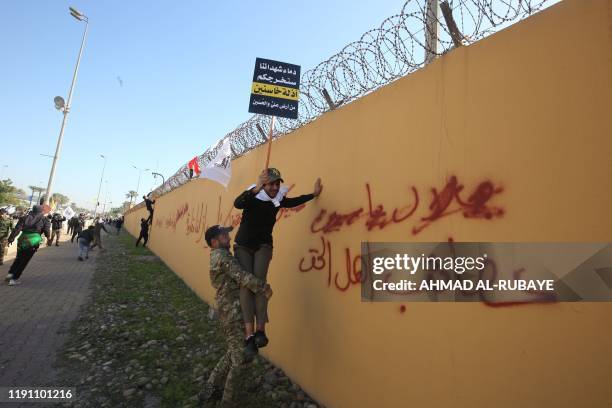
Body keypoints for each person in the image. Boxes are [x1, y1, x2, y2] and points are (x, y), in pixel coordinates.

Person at [233, 168, 323, 349]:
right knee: (246, 286)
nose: (275, 187)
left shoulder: (277, 200)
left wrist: (313, 194)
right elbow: (238, 203)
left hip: (264, 245)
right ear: (264, 184)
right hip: (243, 246)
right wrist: (256, 189)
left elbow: (292, 202)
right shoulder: (253, 197)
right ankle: (249, 334)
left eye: (277, 184)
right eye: (271, 184)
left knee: (260, 284)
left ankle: (260, 331)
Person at [200, 225, 272, 406]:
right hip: (232, 312)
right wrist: (262, 287)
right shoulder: (221, 256)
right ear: (214, 242)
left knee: (233, 352)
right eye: (223, 235)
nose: (228, 237)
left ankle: (210, 388)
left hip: (232, 309)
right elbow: (240, 276)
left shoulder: (220, 255)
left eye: (227, 233)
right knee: (241, 360)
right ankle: (228, 402)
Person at [5, 205, 51, 286]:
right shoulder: (44, 219)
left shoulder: (24, 218)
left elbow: (17, 229)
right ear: (41, 211)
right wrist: (48, 239)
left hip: (22, 240)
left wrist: (10, 239)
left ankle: (10, 274)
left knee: (18, 258)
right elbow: (47, 231)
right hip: (33, 241)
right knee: (24, 261)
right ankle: (13, 279)